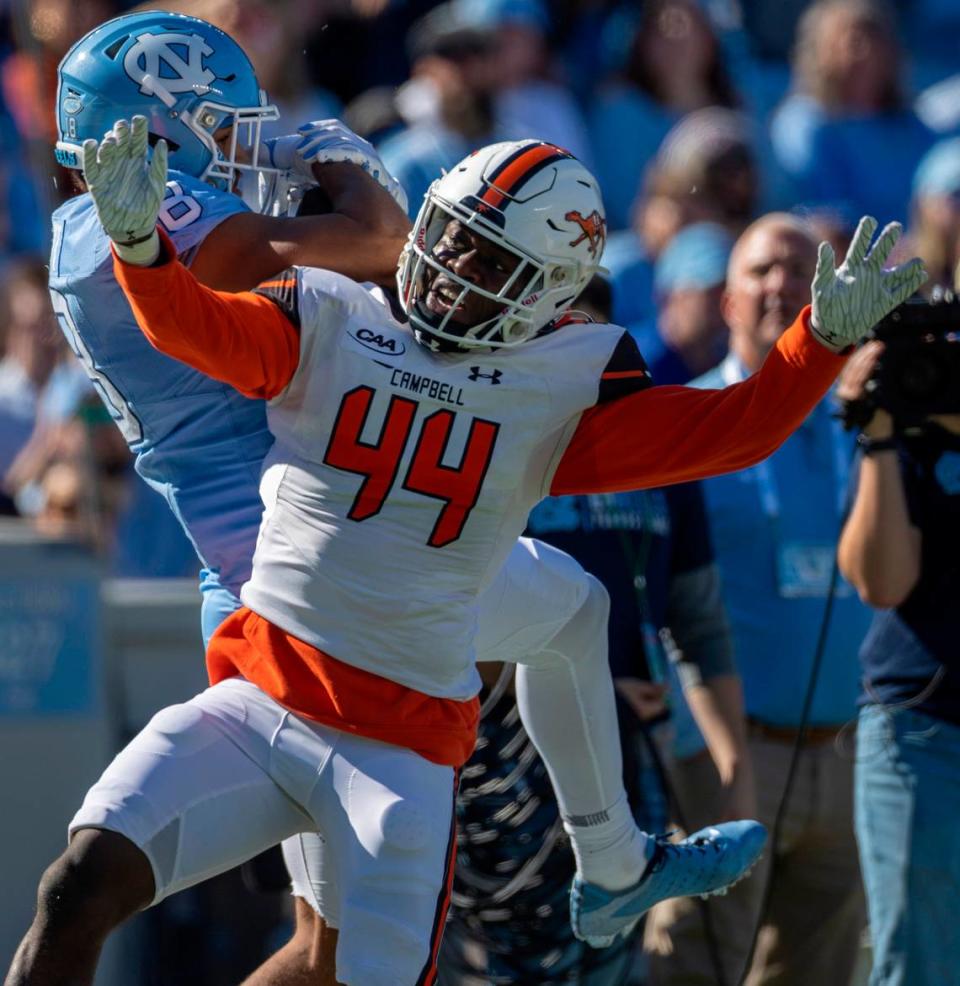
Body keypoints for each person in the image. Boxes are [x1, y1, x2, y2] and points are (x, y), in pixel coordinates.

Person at [7, 105, 923, 986]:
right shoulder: (332, 312)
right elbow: (198, 330)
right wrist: (140, 251)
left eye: (485, 259)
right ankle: (616, 861)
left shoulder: (558, 389)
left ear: (549, 292)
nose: (448, 270)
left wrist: (820, 343)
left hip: (398, 762)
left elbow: (729, 430)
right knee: (75, 886)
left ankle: (611, 860)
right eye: (447, 238)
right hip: (260, 700)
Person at [646, 212, 875, 986]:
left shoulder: (867, 425)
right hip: (723, 753)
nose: (782, 284)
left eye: (802, 269)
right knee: (695, 966)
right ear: (726, 302)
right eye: (759, 270)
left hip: (846, 753)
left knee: (819, 973)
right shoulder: (688, 422)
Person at [836, 336, 960, 986]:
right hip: (926, 732)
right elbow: (882, 584)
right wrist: (879, 436)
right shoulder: (921, 402)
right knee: (921, 967)